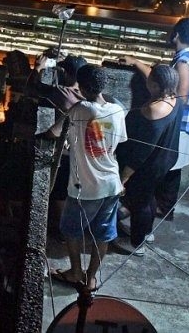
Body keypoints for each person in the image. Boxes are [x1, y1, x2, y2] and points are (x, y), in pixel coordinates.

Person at [118, 15, 189, 219]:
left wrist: (135, 62)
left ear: (176, 35)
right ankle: (161, 209)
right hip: (185, 123)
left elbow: (178, 93)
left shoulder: (183, 62)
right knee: (171, 168)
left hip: (178, 125)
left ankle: (159, 209)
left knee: (165, 169)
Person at [48, 64, 127, 292]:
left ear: (81, 87)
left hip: (85, 187)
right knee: (102, 234)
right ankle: (91, 278)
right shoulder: (118, 111)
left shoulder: (80, 109)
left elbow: (53, 133)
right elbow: (117, 142)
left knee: (70, 229)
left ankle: (75, 272)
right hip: (112, 183)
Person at [113, 64, 183, 256]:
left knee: (140, 201)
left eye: (150, 79)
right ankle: (146, 233)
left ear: (155, 86)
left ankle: (136, 243)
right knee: (149, 195)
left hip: (148, 165)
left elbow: (142, 151)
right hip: (166, 159)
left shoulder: (153, 110)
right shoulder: (175, 100)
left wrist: (124, 177)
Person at [47, 54, 88, 242]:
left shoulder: (63, 93)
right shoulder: (89, 96)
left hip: (66, 151)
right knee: (74, 193)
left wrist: (39, 68)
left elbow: (34, 89)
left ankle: (62, 232)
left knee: (60, 193)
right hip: (85, 153)